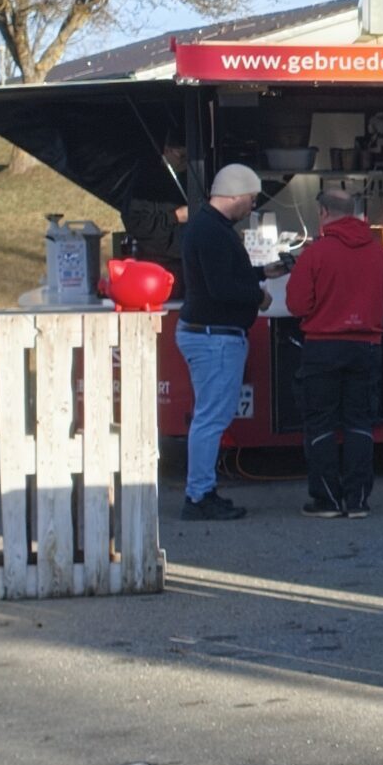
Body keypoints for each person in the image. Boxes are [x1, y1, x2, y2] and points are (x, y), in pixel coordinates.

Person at [285, 184, 383, 519]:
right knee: (359, 422)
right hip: (366, 347)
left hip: (321, 347)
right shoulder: (379, 253)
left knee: (320, 423)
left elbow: (296, 305)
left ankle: (326, 500)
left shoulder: (315, 254)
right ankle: (357, 500)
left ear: (323, 213)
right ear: (354, 212)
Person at [174, 162, 269, 521]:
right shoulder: (213, 231)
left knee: (210, 416)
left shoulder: (206, 226)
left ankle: (203, 490)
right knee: (211, 418)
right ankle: (198, 495)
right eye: (251, 198)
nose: (253, 205)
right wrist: (258, 295)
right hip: (214, 336)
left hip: (207, 332)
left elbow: (221, 276)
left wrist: (263, 271)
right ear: (235, 195)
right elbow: (222, 287)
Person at [119, 137, 190, 267]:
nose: (184, 163)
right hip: (157, 261)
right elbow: (136, 223)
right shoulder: (145, 182)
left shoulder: (191, 177)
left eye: (188, 158)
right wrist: (175, 216)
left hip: (187, 255)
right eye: (182, 156)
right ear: (167, 151)